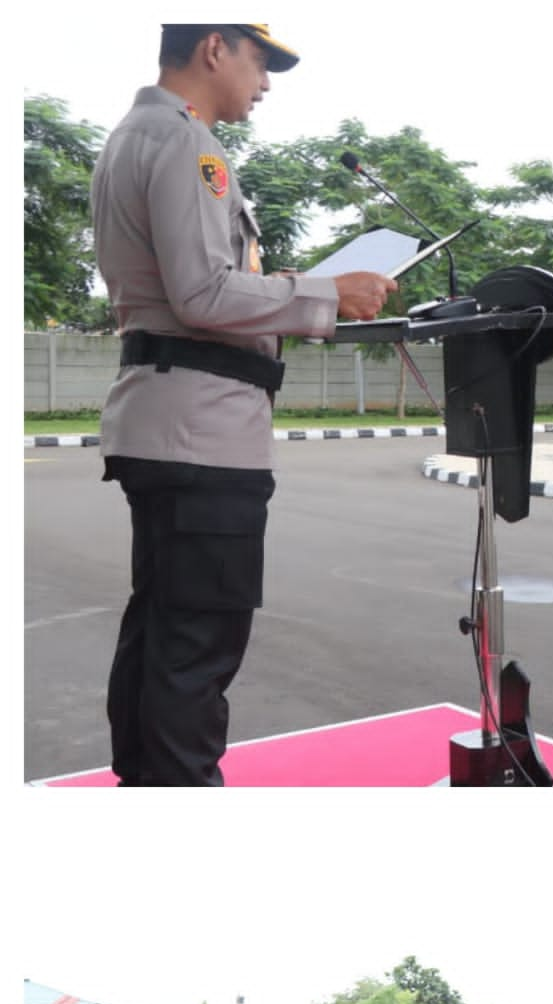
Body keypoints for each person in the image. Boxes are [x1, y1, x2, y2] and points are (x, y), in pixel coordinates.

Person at [91, 26, 397, 785]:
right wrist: (329, 290)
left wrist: (284, 286)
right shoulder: (188, 146)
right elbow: (202, 295)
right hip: (203, 436)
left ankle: (144, 790)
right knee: (197, 647)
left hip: (165, 424)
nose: (266, 83)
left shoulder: (136, 134)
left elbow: (193, 284)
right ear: (215, 48)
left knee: (162, 631)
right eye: (262, 63)